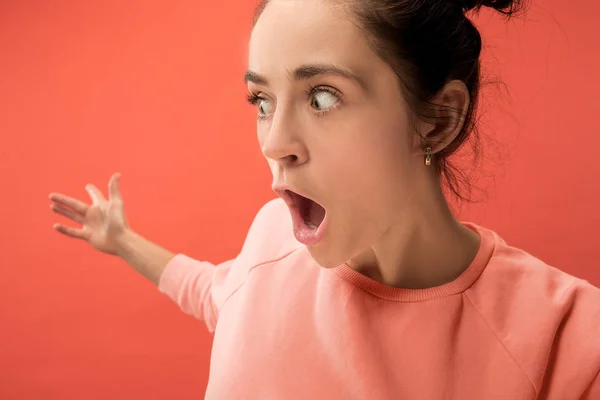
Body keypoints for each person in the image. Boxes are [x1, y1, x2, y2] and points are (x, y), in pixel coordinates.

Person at [49, 0, 600, 398]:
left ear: (438, 120)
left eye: (321, 96)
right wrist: (120, 240)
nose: (274, 142)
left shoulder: (566, 340)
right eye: (262, 100)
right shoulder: (271, 237)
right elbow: (217, 293)